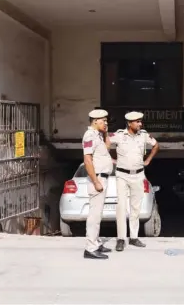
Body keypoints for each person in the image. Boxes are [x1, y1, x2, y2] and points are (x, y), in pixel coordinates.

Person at [108, 111, 159, 252]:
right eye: (137, 122)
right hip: (122, 175)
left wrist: (148, 160)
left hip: (138, 175)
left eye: (140, 121)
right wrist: (110, 159)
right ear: (129, 123)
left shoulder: (143, 135)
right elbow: (105, 142)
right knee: (121, 207)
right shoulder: (119, 135)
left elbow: (156, 145)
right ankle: (121, 239)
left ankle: (134, 237)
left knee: (136, 207)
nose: (140, 124)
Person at [82, 109, 114, 260]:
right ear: (95, 121)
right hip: (98, 179)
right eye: (103, 121)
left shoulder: (98, 135)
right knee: (94, 215)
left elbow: (108, 147)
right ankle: (90, 248)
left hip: (103, 177)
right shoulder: (89, 136)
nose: (106, 123)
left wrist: (106, 133)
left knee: (98, 214)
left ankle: (97, 242)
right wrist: (95, 181)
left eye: (106, 121)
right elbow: (87, 160)